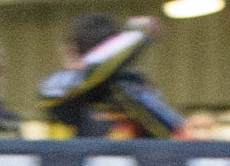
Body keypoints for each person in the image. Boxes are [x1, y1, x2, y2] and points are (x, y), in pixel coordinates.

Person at [39, 13, 182, 138]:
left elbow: (177, 131)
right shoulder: (58, 87)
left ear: (73, 50)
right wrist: (137, 33)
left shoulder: (130, 84)